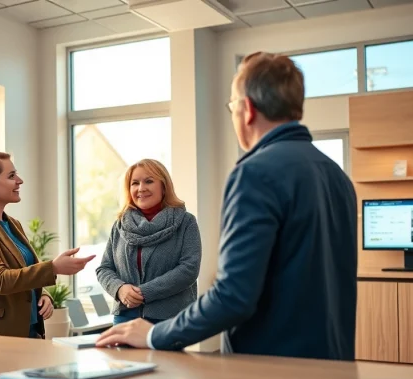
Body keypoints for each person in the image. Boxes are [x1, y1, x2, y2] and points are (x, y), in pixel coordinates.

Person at [96, 52, 358, 361]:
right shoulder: (337, 176)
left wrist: (154, 334)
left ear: (247, 110)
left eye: (232, 106)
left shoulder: (255, 173)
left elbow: (234, 296)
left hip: (272, 369)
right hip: (332, 362)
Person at [0, 151, 94, 338]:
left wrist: (43, 295)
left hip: (29, 330)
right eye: (11, 176)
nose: (20, 180)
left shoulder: (13, 224)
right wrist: (54, 268)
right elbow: (0, 280)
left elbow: (25, 272)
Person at [96, 159, 202, 325]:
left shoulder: (186, 222)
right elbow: (104, 268)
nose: (141, 188)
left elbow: (189, 269)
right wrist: (120, 289)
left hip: (170, 319)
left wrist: (144, 292)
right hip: (125, 317)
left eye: (149, 181)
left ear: (164, 186)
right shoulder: (120, 224)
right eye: (135, 183)